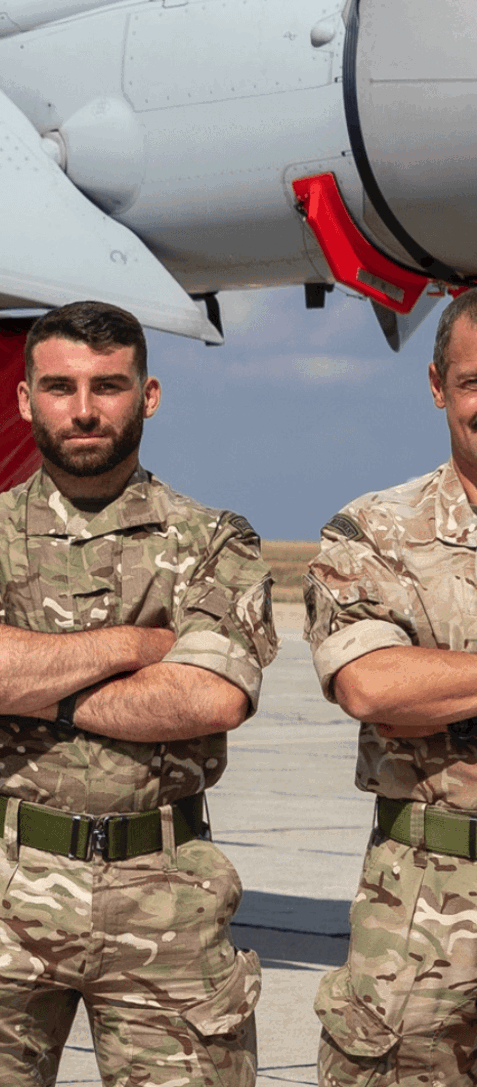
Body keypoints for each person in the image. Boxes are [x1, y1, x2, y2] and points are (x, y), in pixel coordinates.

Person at [0, 299, 277, 1087]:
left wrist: (33, 685)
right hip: (2, 889)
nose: (82, 410)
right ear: (23, 398)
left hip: (167, 895)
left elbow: (209, 699)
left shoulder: (214, 541)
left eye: (107, 386)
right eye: (59, 386)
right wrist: (134, 647)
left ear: (148, 396)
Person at [305, 286, 477, 1086]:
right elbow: (372, 685)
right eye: (475, 382)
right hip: (426, 910)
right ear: (439, 386)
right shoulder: (374, 531)